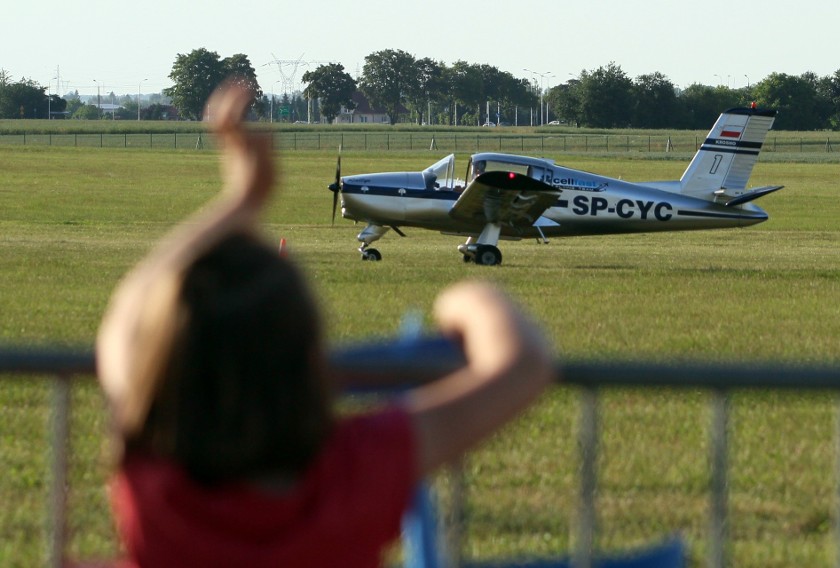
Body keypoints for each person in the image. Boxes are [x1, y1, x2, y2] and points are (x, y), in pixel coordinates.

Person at [95, 82, 555, 568]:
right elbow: (522, 365)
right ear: (311, 356)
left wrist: (243, 196)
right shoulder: (353, 472)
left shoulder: (157, 475)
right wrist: (472, 298)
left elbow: (127, 323)